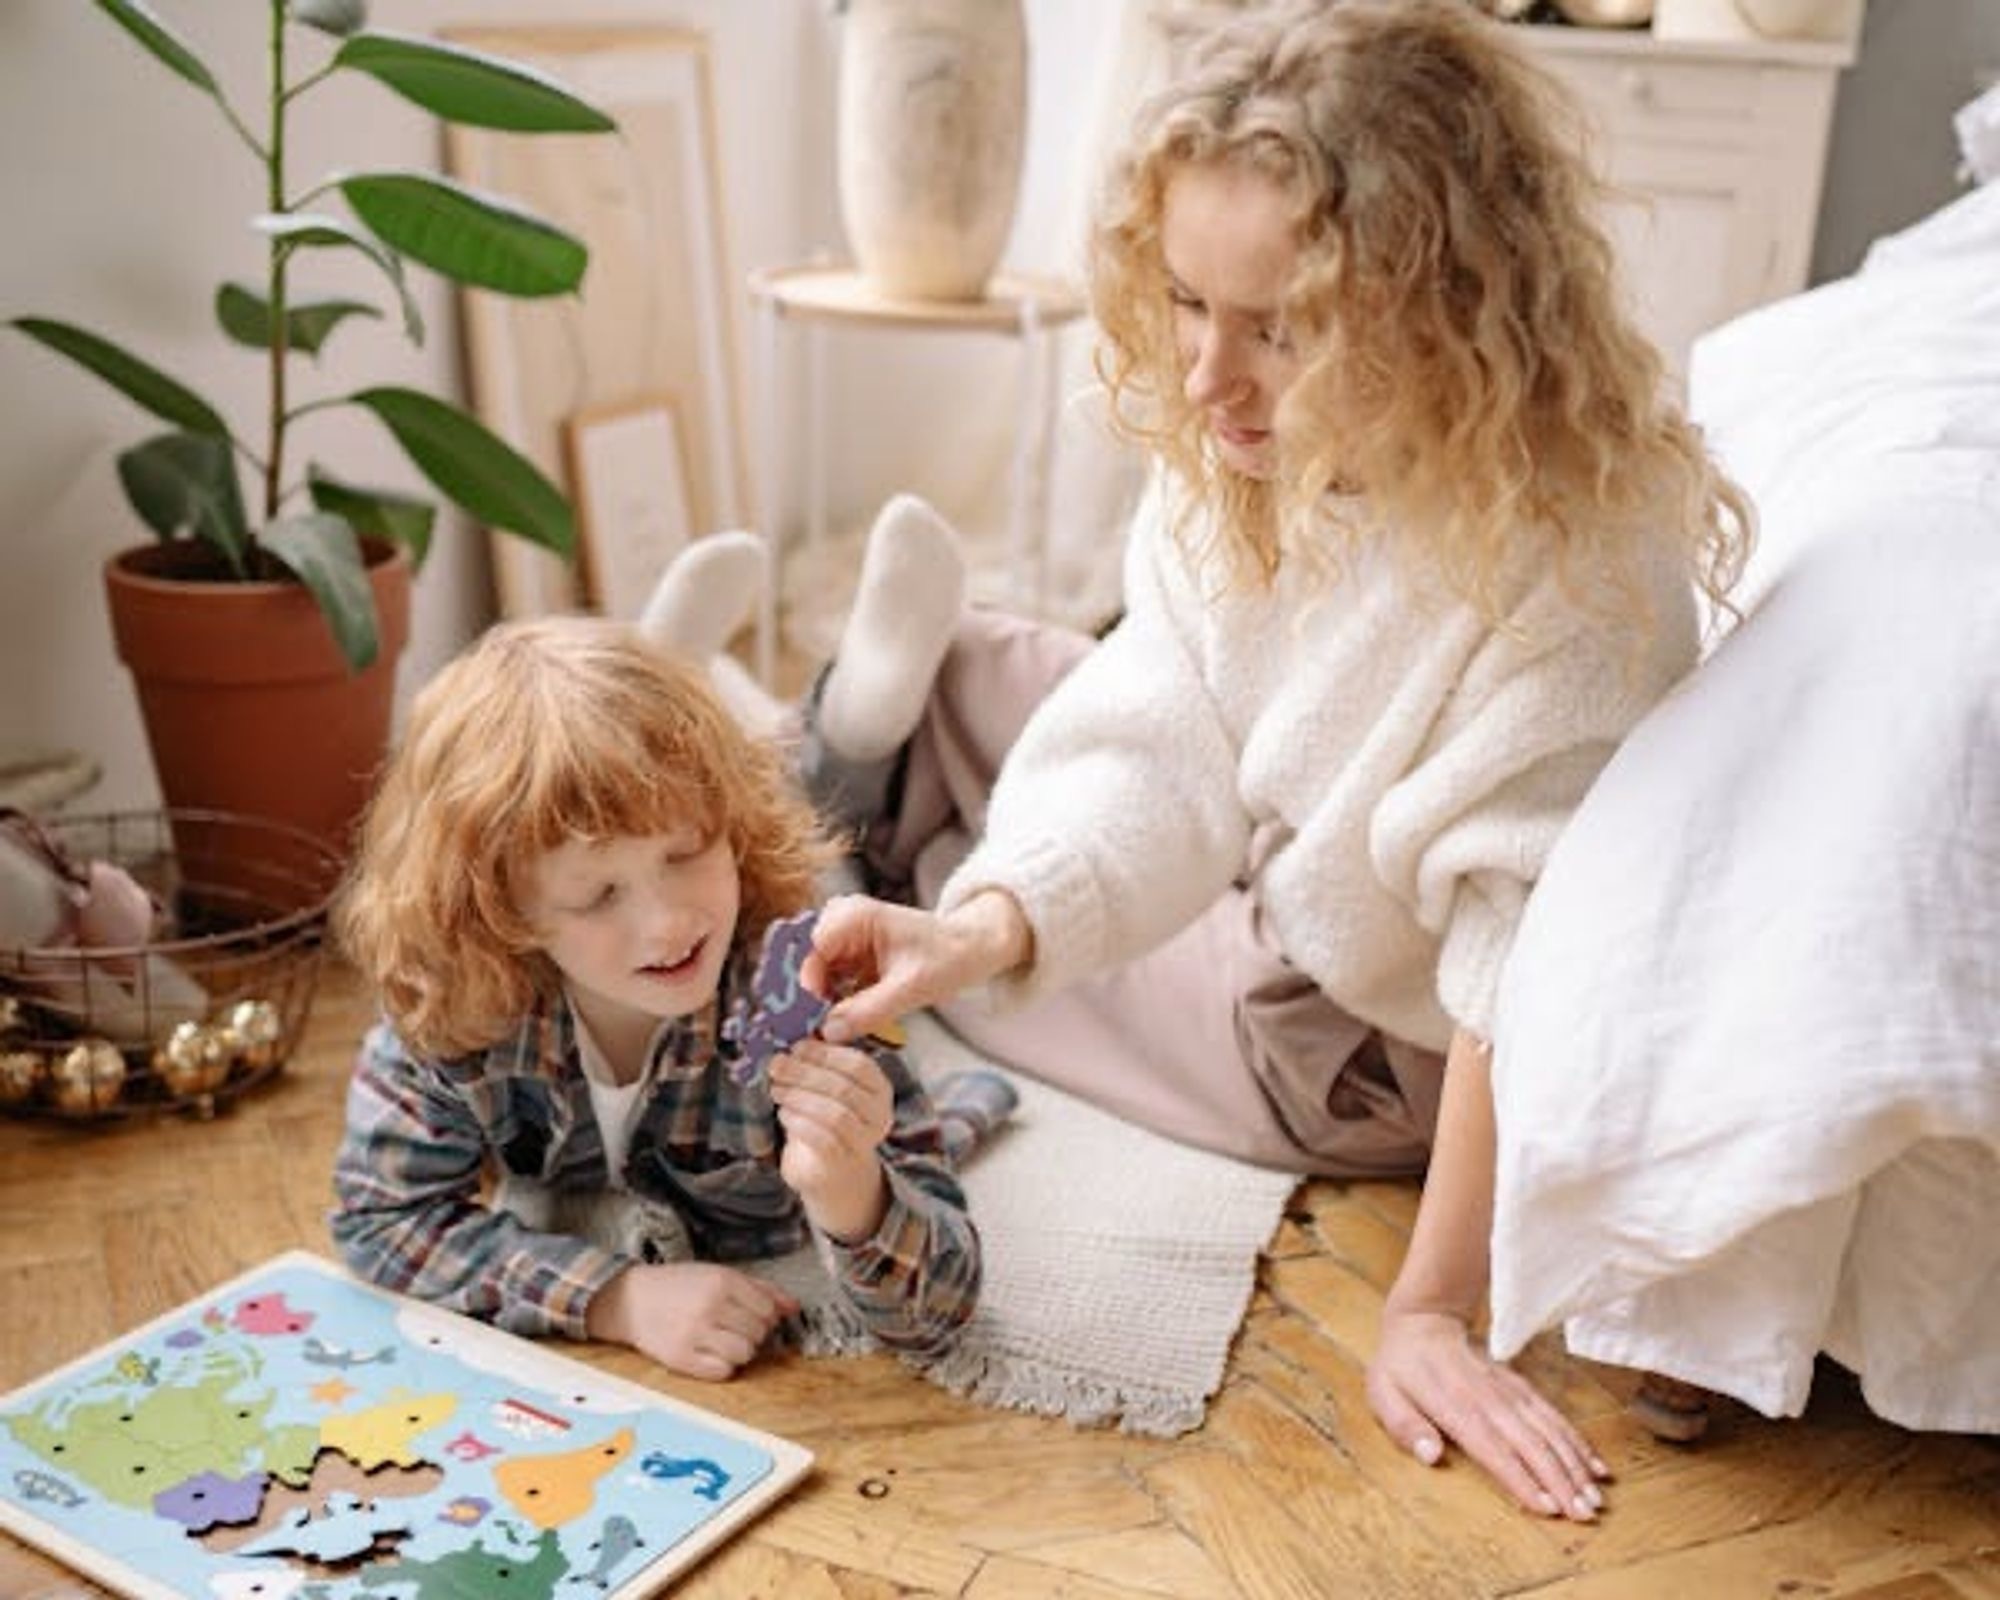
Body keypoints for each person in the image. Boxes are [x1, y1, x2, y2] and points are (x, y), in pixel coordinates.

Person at [673, 0, 1752, 1519]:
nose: (1205, 381)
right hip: (1277, 847)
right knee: (992, 665)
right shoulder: (1244, 454)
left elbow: (1522, 961)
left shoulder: (1569, 558)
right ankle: (875, 807)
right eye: (1187, 303)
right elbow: (1164, 712)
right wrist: (981, 924)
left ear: (1442, 311)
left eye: (1281, 329)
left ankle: (854, 810)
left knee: (992, 920)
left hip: (1365, 1043)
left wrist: (1432, 1307)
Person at [328, 615, 986, 1382]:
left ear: (730, 829)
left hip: (819, 873)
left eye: (688, 852)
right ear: (498, 909)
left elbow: (938, 1317)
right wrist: (616, 1300)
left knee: (863, 830)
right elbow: (382, 1220)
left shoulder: (806, 988)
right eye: (599, 895)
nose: (669, 922)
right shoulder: (456, 1008)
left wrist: (851, 1193)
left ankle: (837, 701)